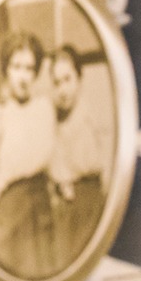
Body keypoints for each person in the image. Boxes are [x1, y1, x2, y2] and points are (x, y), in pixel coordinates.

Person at [0, 30, 58, 279]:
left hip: (39, 206)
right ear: (6, 70)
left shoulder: (44, 109)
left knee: (41, 273)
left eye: (29, 68)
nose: (23, 76)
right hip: (8, 209)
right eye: (16, 67)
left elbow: (45, 154)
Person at [46, 45, 108, 260]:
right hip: (62, 207)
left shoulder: (92, 117)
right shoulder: (54, 118)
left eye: (67, 79)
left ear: (79, 79)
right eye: (56, 82)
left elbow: (100, 165)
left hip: (88, 201)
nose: (62, 90)